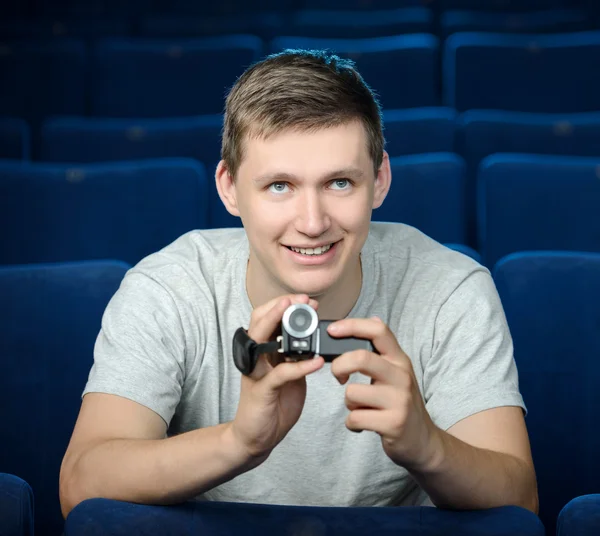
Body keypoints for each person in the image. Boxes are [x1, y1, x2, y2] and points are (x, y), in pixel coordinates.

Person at [59, 50, 538, 518]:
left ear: (380, 179)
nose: (312, 223)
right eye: (279, 186)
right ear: (229, 188)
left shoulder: (451, 288)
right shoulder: (168, 288)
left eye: (340, 183)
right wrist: (240, 442)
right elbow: (82, 484)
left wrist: (426, 445)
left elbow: (519, 500)